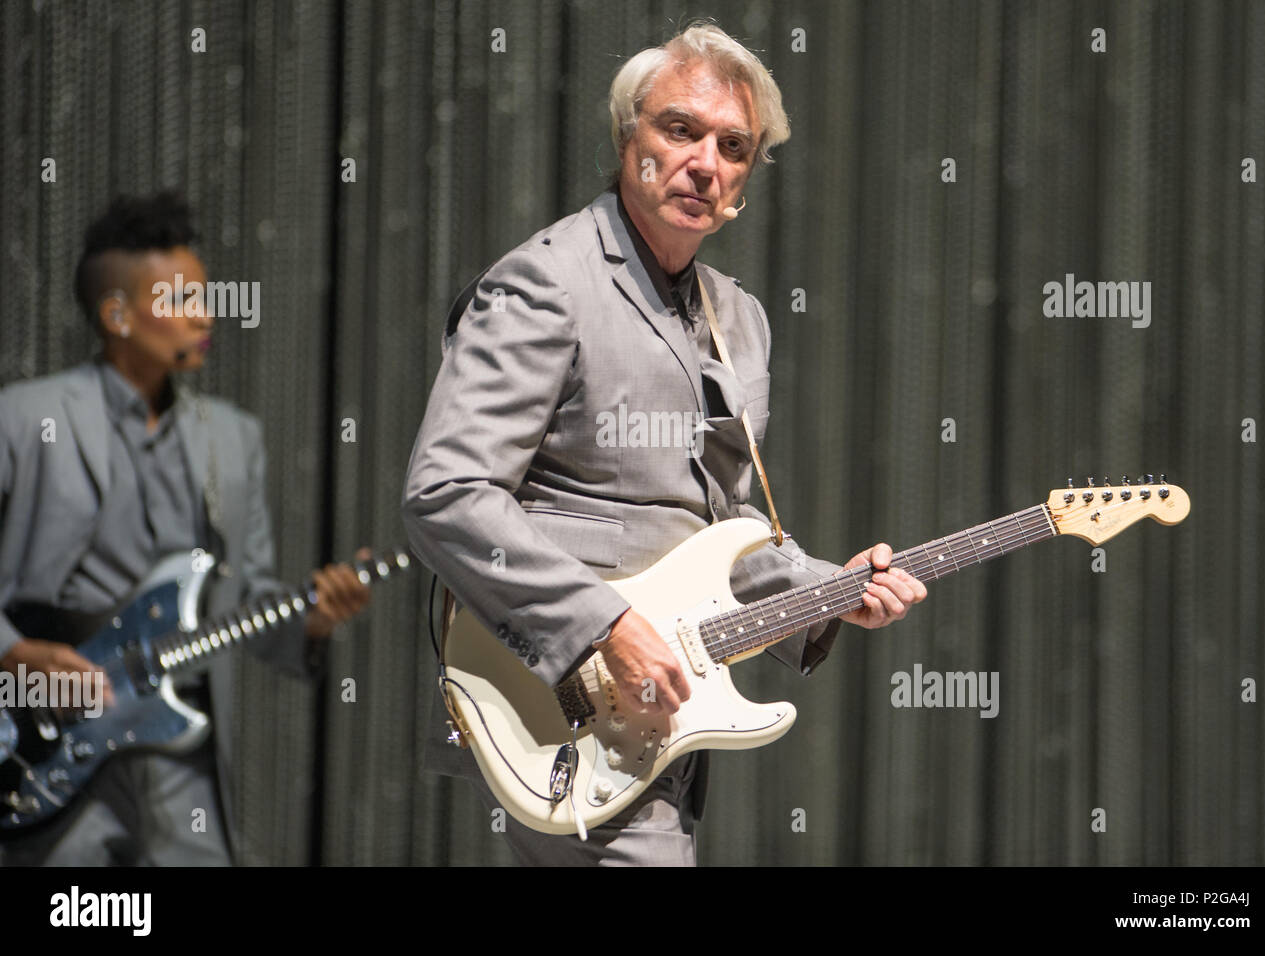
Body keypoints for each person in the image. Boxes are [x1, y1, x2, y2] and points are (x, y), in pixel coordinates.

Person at [401, 23, 927, 866]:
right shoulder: (547, 282)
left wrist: (832, 592)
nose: (705, 162)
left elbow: (720, 529)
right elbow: (446, 494)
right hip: (562, 699)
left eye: (733, 146)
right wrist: (601, 625)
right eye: (680, 129)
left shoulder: (741, 318)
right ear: (626, 136)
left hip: (670, 713)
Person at [0, 191, 372, 865]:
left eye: (207, 299)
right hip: (48, 733)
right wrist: (13, 653)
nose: (205, 317)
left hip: (179, 740)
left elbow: (248, 597)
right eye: (181, 302)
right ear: (116, 314)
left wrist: (313, 621)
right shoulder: (24, 420)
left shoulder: (231, 439)